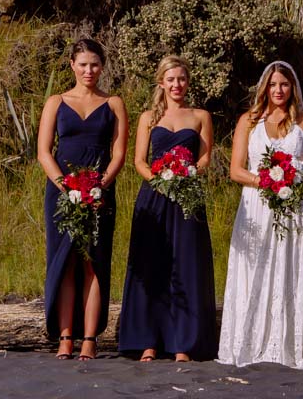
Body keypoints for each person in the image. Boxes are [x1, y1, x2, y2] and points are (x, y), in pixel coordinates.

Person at [218, 61, 303, 368]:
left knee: (290, 267)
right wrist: (266, 181)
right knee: (254, 268)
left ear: (293, 88)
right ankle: (249, 342)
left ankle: (291, 345)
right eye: (273, 84)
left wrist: (292, 178)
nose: (278, 90)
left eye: (284, 84)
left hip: (295, 204)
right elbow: (236, 170)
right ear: (264, 87)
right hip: (256, 205)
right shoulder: (248, 121)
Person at [117, 55, 218, 362]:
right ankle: (148, 341)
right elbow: (138, 161)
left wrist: (186, 174)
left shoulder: (201, 115)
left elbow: (204, 159)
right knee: (152, 264)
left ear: (188, 82)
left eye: (182, 79)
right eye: (171, 79)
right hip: (154, 198)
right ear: (161, 82)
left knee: (186, 265)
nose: (177, 85)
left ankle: (182, 343)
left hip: (187, 198)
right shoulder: (149, 117)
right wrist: (160, 181)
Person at [37, 39, 129, 361]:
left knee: (93, 261)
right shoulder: (56, 101)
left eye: (95, 64)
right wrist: (66, 185)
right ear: (72, 65)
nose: (89, 70)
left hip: (100, 191)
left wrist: (99, 185)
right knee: (65, 263)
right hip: (62, 194)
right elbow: (44, 152)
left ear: (102, 66)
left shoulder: (114, 103)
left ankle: (89, 338)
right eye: (83, 64)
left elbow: (119, 152)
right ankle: (65, 337)